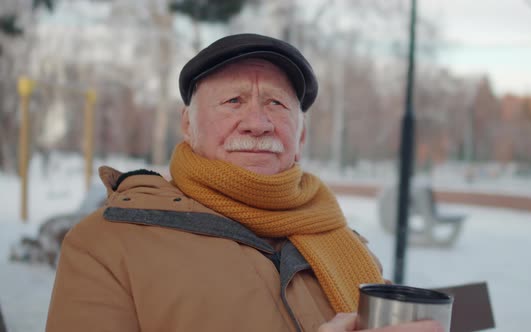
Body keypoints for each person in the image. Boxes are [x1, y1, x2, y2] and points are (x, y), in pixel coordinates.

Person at [46, 33, 441, 332]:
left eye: (276, 103)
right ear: (188, 125)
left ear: (300, 138)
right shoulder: (105, 246)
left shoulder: (349, 245)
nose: (257, 122)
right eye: (233, 101)